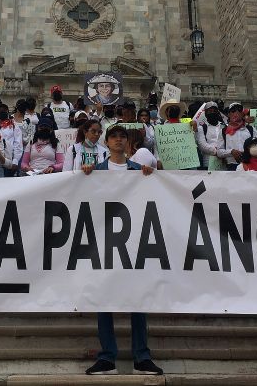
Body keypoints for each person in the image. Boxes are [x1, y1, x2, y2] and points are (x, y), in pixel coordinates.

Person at [82, 125, 161, 375]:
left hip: (134, 243)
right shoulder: (96, 171)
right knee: (103, 299)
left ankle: (142, 356)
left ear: (128, 143)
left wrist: (152, 177)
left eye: (122, 137)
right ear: (106, 143)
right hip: (104, 243)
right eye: (114, 136)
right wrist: (83, 175)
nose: (118, 140)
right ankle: (107, 357)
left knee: (138, 298)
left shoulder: (141, 171)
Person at [214, 102, 254, 171]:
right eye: (233, 111)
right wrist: (231, 152)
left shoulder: (251, 129)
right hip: (231, 167)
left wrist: (247, 153)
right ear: (229, 114)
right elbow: (219, 152)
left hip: (249, 165)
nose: (236, 112)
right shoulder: (223, 131)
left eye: (239, 110)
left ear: (242, 114)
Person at [0, 103, 23, 177]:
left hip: (9, 161)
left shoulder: (14, 126)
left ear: (8, 112)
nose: (2, 112)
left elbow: (18, 144)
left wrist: (15, 161)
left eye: (4, 110)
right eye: (0, 110)